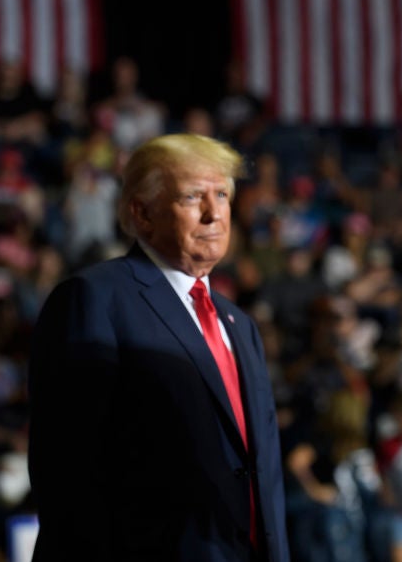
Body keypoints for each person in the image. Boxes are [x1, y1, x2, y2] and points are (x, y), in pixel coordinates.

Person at [27, 133, 290, 561]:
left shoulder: (240, 326)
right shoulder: (93, 299)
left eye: (221, 195)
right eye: (192, 197)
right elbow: (67, 472)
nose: (213, 214)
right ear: (142, 213)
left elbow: (263, 476)